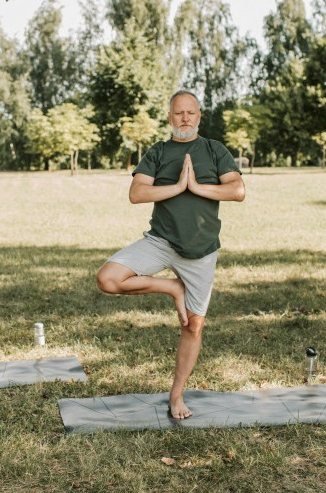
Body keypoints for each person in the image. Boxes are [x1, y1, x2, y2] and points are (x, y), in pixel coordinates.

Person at [96, 90, 245, 420]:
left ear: (199, 116)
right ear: (170, 117)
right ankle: (171, 287)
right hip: (161, 242)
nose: (185, 118)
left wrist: (196, 187)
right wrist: (177, 187)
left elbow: (237, 190)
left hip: (201, 251)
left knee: (193, 326)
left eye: (191, 112)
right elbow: (137, 193)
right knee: (107, 278)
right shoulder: (159, 151)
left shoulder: (214, 150)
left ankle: (176, 395)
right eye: (179, 113)